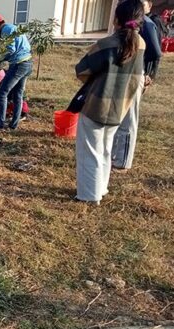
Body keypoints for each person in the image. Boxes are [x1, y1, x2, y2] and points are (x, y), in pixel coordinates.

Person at [74, 0, 145, 205]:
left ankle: (89, 195)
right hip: (120, 107)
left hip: (97, 106)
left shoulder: (106, 44)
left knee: (89, 152)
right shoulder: (140, 44)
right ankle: (101, 188)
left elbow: (82, 70)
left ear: (116, 19)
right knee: (105, 149)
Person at [112, 0, 162, 171]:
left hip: (134, 74)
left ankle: (123, 161)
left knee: (129, 119)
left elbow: (155, 52)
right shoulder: (130, 23)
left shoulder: (146, 24)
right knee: (118, 116)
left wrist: (148, 72)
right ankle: (115, 155)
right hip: (122, 74)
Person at [0, 13, 32, 131]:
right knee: (18, 95)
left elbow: (10, 50)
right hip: (27, 63)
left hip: (18, 65)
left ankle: (0, 124)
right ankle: (13, 125)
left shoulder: (6, 30)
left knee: (1, 93)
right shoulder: (13, 28)